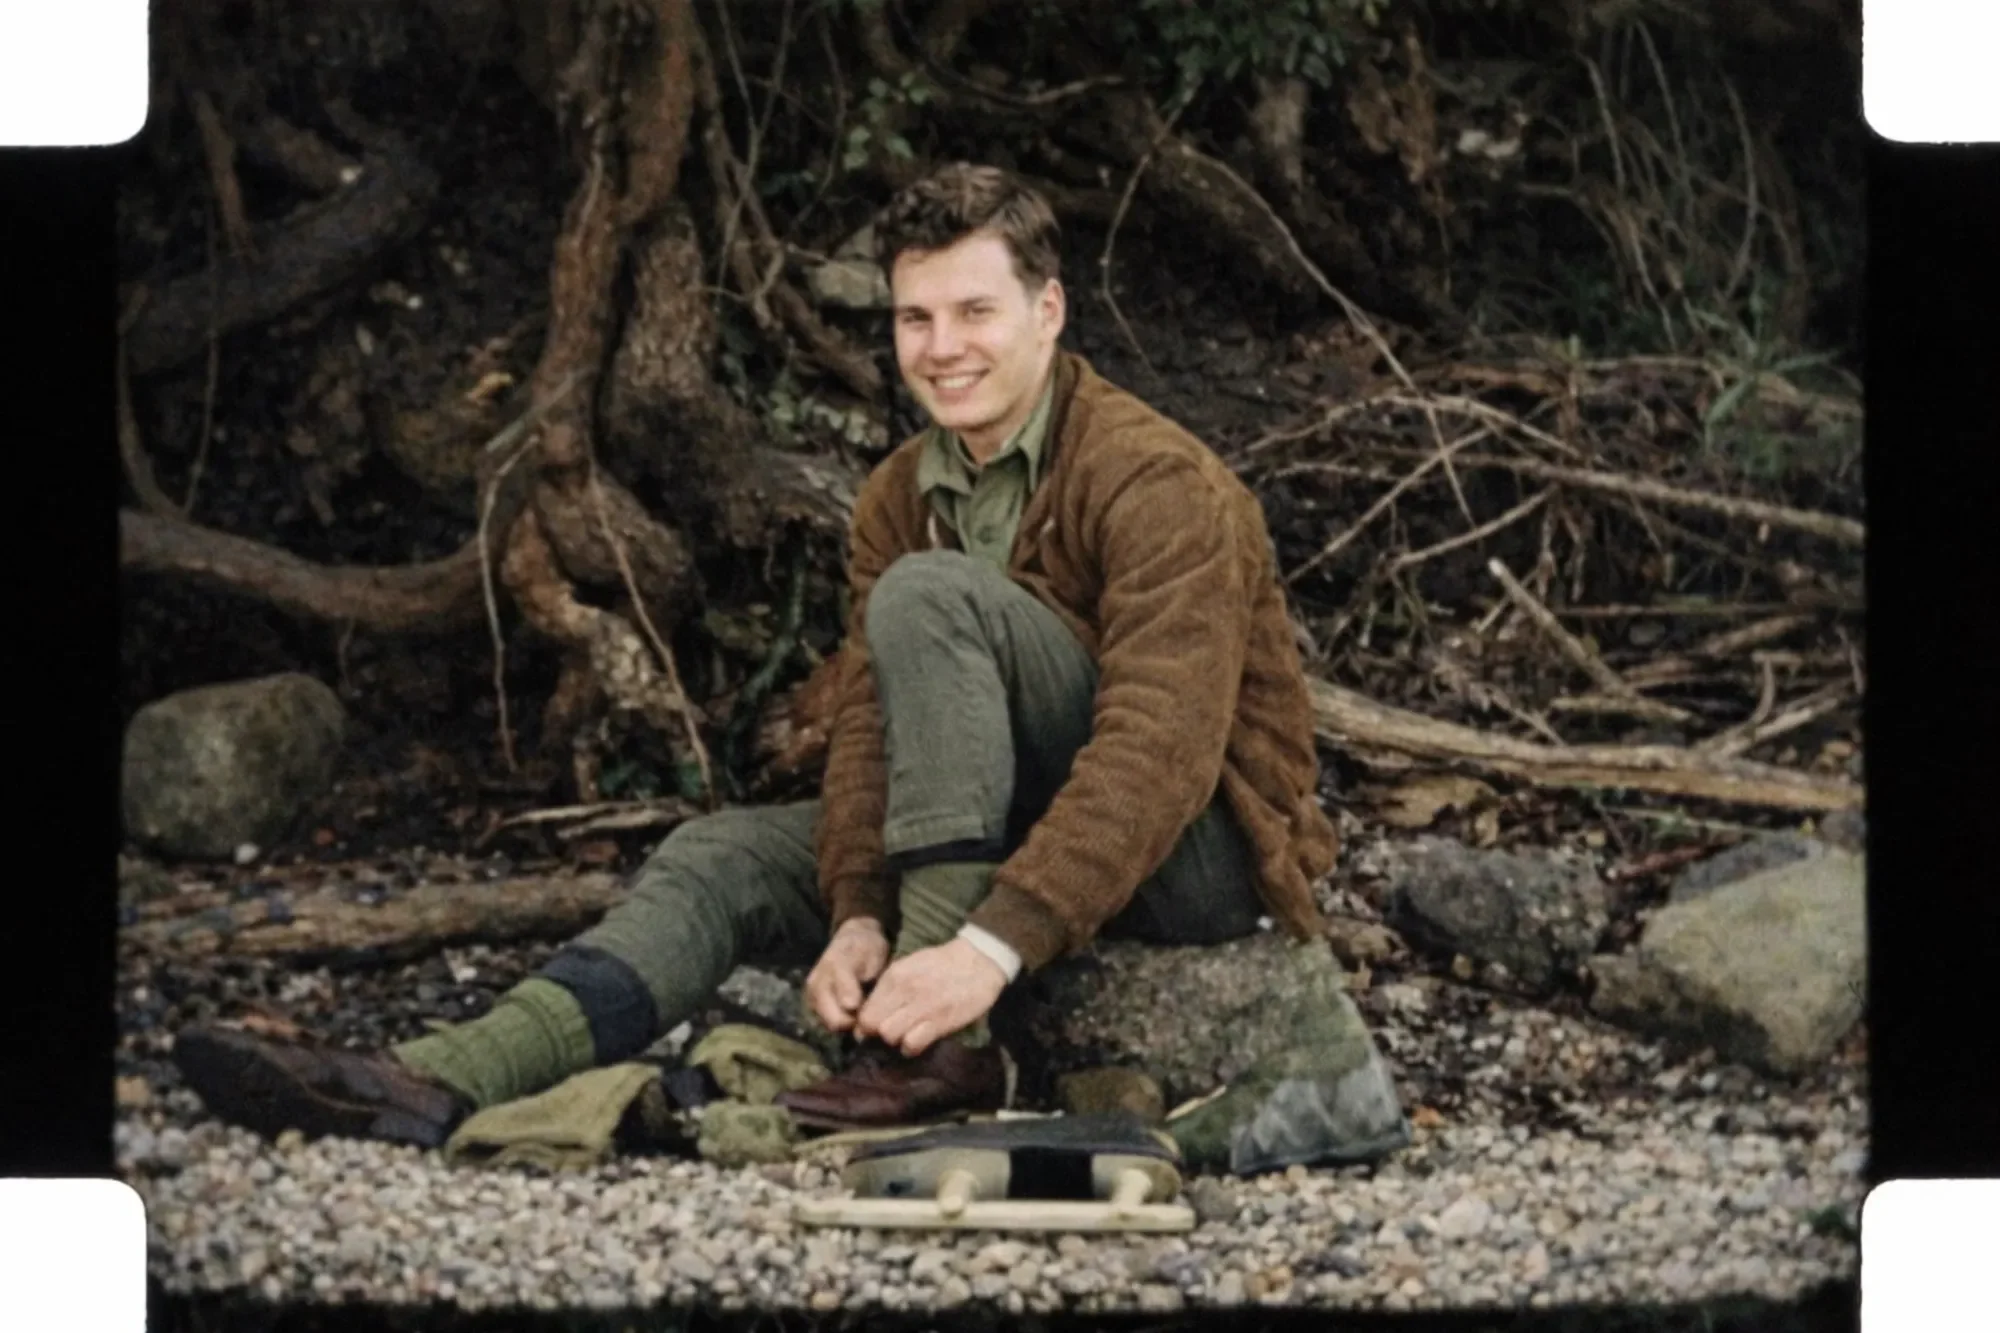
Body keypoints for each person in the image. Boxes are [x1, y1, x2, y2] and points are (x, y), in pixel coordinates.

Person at [171, 163, 1341, 1147]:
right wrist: (854, 909)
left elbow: (1162, 748)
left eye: (974, 313)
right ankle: (441, 1075)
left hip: (1193, 858)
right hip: (1007, 815)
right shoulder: (899, 491)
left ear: (1047, 312)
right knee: (717, 852)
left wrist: (979, 954)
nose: (941, 350)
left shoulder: (1155, 481)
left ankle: (942, 1056)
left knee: (936, 598)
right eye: (913, 318)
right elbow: (883, 725)